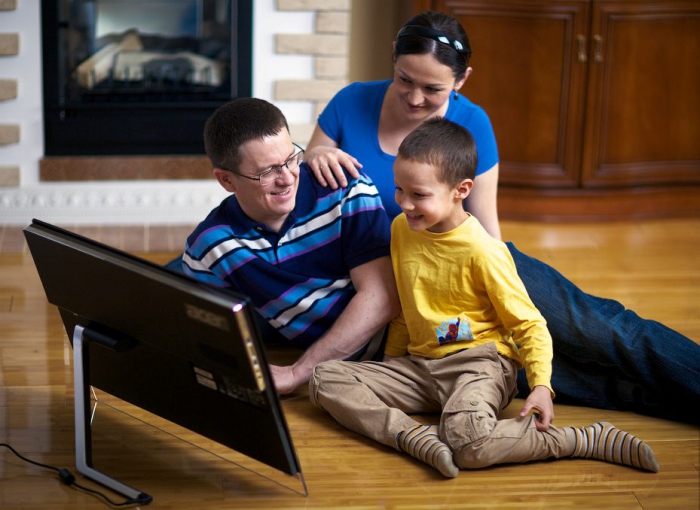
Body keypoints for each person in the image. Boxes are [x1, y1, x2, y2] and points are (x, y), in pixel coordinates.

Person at [303, 10, 700, 425]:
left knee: (602, 330)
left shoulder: (472, 121)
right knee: (566, 380)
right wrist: (312, 154)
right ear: (392, 57)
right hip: (406, 286)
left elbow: (486, 229)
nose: (415, 98)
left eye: (433, 88)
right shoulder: (351, 102)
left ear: (462, 79)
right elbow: (306, 189)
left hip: (474, 263)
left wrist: (494, 301)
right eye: (405, 79)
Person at [309, 117, 660, 478]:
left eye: (419, 195)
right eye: (399, 190)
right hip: (421, 366)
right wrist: (389, 363)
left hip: (478, 364)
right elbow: (406, 306)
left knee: (468, 448)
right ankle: (414, 436)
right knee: (323, 378)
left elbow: (529, 324)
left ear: (461, 190)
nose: (404, 203)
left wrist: (541, 385)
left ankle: (582, 439)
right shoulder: (401, 229)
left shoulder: (483, 251)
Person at [181, 97, 401, 394]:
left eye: (291, 159)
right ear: (226, 180)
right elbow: (215, 342)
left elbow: (383, 297)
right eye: (267, 172)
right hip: (334, 367)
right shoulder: (208, 249)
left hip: (404, 347)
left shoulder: (346, 187)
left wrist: (299, 372)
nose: (287, 179)